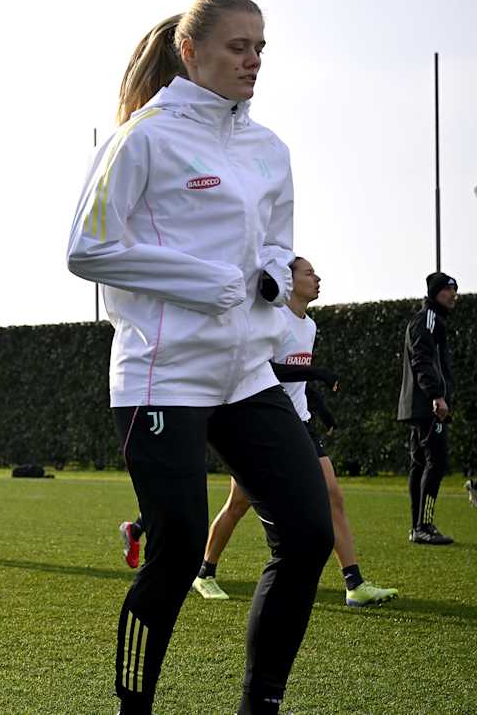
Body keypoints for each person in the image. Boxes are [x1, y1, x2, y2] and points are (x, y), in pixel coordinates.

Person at [66, 0, 334, 714]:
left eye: (259, 47)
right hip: (162, 372)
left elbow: (275, 240)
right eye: (236, 46)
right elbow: (86, 250)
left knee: (308, 534)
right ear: (191, 52)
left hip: (247, 372)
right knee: (178, 549)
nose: (252, 60)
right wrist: (207, 281)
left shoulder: (269, 148)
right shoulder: (143, 138)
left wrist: (274, 273)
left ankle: (260, 707)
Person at [190, 257, 398, 607]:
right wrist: (318, 373)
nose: (317, 278)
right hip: (262, 423)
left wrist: (320, 406)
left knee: (333, 494)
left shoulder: (310, 326)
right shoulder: (273, 320)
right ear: (289, 280)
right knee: (238, 504)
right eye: (309, 273)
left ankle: (354, 584)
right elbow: (267, 370)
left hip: (298, 421)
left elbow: (298, 378)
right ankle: (204, 573)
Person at [398, 272, 459, 544]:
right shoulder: (429, 319)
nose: (454, 295)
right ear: (436, 293)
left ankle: (418, 527)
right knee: (436, 462)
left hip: (421, 405)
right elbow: (422, 359)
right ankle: (424, 525)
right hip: (428, 406)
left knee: (420, 463)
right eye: (449, 290)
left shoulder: (430, 320)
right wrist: (437, 396)